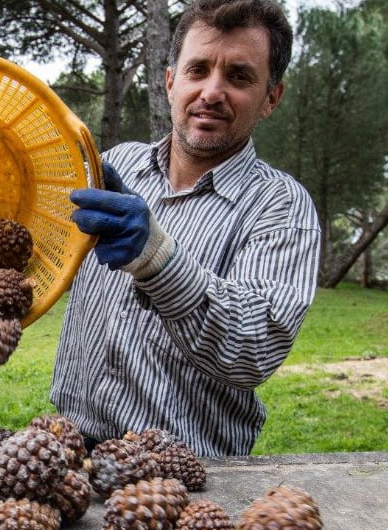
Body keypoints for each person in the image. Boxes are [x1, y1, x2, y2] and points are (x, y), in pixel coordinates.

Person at [55, 0, 321, 457]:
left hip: (189, 475)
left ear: (271, 98)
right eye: (198, 70)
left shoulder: (281, 205)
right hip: (68, 451)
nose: (212, 92)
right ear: (170, 80)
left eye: (239, 76)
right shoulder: (117, 166)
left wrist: (157, 259)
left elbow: (253, 346)